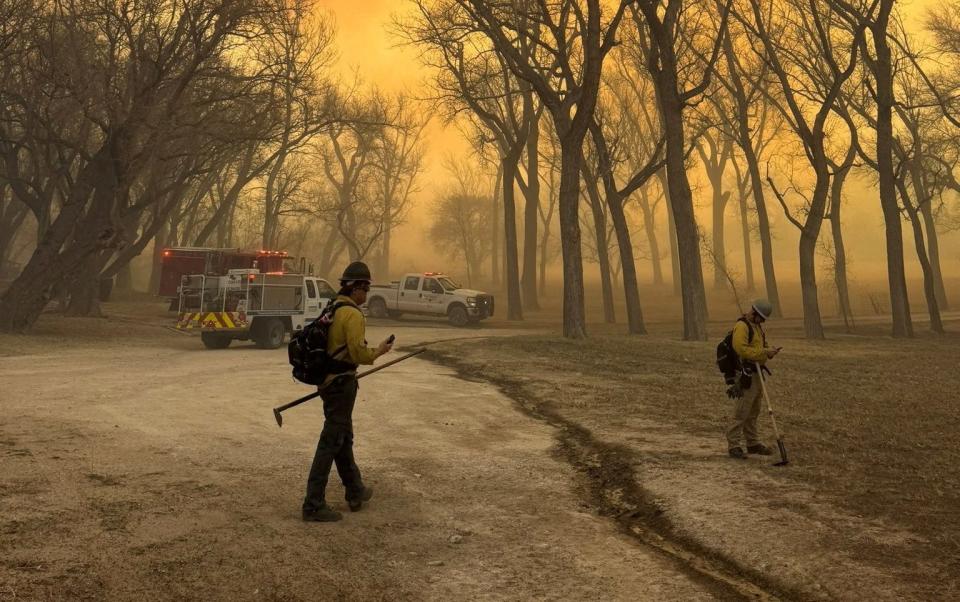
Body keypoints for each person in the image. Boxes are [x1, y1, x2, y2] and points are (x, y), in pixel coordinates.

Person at [302, 261, 393, 522]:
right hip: (341, 385)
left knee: (343, 438)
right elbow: (358, 353)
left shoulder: (333, 307)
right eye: (365, 289)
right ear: (357, 289)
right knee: (331, 442)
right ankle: (312, 504)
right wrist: (379, 351)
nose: (366, 295)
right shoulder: (352, 314)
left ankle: (355, 491)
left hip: (328, 383)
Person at [726, 299, 780, 460]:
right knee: (742, 410)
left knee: (754, 410)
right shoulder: (742, 326)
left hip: (757, 372)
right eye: (761, 318)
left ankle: (752, 443)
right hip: (746, 373)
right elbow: (741, 349)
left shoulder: (757, 327)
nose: (763, 321)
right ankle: (734, 445)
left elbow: (760, 345)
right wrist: (764, 353)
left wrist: (769, 351)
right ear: (754, 313)